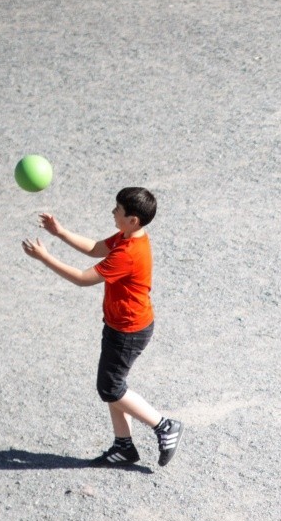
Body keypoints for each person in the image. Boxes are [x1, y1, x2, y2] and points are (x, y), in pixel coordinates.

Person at [23, 187, 181, 467]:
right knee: (114, 385)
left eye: (117, 209)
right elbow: (95, 248)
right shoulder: (127, 236)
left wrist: (45, 257)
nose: (112, 211)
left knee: (110, 388)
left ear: (133, 219)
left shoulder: (129, 252)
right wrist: (60, 232)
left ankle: (165, 426)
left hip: (128, 331)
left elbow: (84, 279)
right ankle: (124, 447)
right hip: (120, 325)